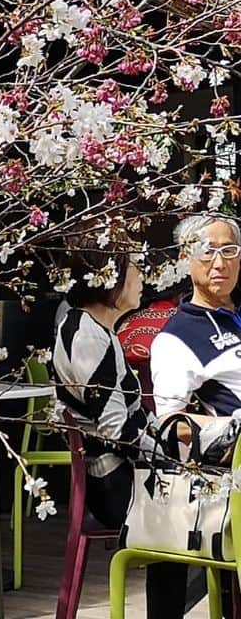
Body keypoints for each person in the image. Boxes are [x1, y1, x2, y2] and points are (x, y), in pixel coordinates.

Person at [52, 237, 191, 617]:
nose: (142, 277)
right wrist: (173, 459)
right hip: (114, 484)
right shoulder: (88, 337)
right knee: (194, 512)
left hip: (117, 475)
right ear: (108, 279)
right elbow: (118, 430)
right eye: (133, 268)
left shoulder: (87, 326)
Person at [151, 215, 241, 418]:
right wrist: (229, 428)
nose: (220, 263)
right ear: (185, 258)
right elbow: (169, 420)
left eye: (228, 251)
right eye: (207, 252)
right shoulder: (177, 338)